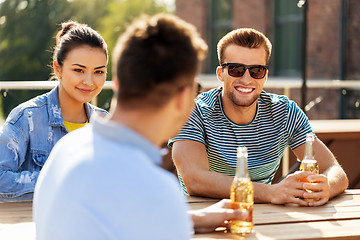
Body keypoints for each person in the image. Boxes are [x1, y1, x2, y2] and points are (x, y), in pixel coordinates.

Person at [33, 14, 246, 239]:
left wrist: (187, 219)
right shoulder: (153, 188)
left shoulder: (68, 147)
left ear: (118, 83)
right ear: (183, 97)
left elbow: (111, 215)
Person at [169, 28, 349, 207]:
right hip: (203, 220)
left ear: (265, 76)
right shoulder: (194, 111)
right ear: (220, 74)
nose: (246, 79)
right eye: (236, 69)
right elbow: (194, 179)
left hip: (264, 217)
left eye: (256, 71)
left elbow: (334, 170)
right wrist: (271, 192)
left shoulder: (284, 111)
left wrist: (327, 187)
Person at [0, 21, 108, 201]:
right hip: (34, 226)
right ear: (58, 69)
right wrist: (59, 180)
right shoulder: (27, 118)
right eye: (79, 70)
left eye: (99, 72)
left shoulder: (106, 124)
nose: (89, 82)